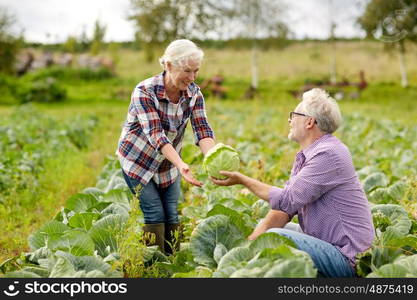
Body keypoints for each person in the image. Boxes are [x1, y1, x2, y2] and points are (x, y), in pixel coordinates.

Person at [211, 88, 375, 277]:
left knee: (277, 237)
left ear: (309, 122)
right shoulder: (309, 154)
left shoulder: (328, 154)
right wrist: (255, 238)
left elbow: (287, 199)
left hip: (348, 257)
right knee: (272, 230)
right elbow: (287, 209)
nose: (289, 121)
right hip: (328, 243)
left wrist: (242, 179)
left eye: (293, 115)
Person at [116, 39, 216, 254]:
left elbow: (203, 129)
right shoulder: (144, 91)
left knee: (171, 213)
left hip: (168, 163)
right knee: (154, 212)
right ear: (168, 65)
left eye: (195, 71)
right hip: (138, 159)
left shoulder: (194, 94)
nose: (191, 77)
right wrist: (181, 165)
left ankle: (173, 263)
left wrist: (214, 158)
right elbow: (156, 135)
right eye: (186, 70)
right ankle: (154, 266)